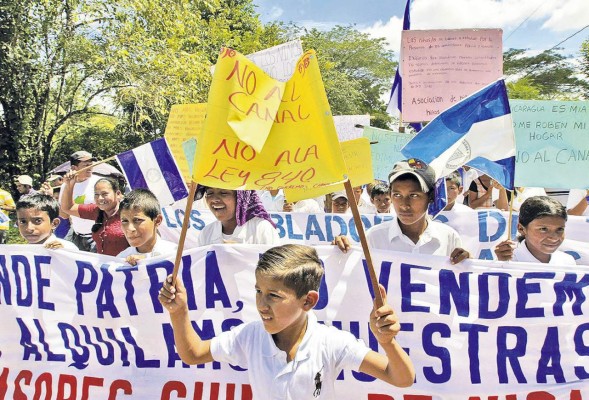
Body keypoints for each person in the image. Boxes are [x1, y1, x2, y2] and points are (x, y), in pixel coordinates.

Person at [158, 244, 415, 398]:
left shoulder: (331, 342)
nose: (261, 305)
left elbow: (402, 379)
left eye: (273, 296)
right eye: (258, 291)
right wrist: (179, 311)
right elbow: (193, 354)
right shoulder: (249, 335)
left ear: (308, 301)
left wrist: (387, 342)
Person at [334, 159, 470, 264]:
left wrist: (468, 264)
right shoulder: (374, 238)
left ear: (430, 197)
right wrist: (337, 253)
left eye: (414, 195)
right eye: (397, 195)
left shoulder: (449, 238)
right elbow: (356, 280)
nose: (404, 205)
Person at [494, 196, 576, 265]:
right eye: (543, 229)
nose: (554, 238)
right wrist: (500, 266)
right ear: (521, 229)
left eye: (560, 229)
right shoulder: (507, 261)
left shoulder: (567, 262)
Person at [61, 174, 129, 256]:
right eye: (96, 194)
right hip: (103, 267)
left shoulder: (129, 213)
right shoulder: (96, 210)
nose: (100, 198)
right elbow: (68, 208)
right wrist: (69, 185)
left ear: (118, 194)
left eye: (104, 194)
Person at [196, 187, 280, 246]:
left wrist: (240, 253)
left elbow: (276, 268)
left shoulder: (262, 229)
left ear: (241, 198)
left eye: (223, 193)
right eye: (210, 193)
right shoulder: (206, 233)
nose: (214, 199)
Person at [117, 189, 177, 265]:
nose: (130, 229)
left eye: (137, 220)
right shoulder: (120, 260)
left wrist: (147, 261)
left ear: (157, 221)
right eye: (124, 221)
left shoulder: (175, 255)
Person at [59, 151, 101, 251]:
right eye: (86, 165)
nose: (90, 167)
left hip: (96, 237)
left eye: (91, 164)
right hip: (76, 236)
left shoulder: (100, 183)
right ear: (74, 168)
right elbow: (64, 215)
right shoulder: (65, 185)